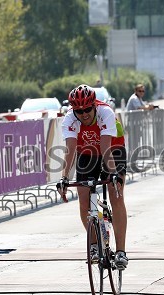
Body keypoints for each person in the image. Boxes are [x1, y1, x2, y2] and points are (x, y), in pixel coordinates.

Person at [56, 84, 129, 269]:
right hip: (87, 153)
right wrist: (64, 178)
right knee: (83, 198)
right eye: (79, 111)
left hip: (113, 150)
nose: (84, 114)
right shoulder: (70, 119)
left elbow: (106, 147)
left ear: (94, 106)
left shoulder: (105, 112)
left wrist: (113, 174)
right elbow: (70, 150)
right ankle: (95, 245)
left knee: (116, 194)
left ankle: (121, 251)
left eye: (87, 109)